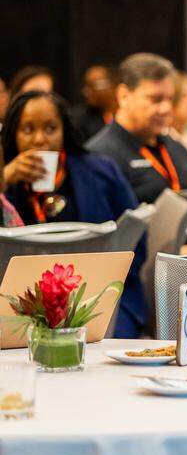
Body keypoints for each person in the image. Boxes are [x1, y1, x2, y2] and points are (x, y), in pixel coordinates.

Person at [1, 90, 149, 337]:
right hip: (24, 302)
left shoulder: (102, 171)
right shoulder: (6, 183)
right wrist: (4, 180)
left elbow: (136, 239)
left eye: (50, 129)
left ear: (64, 131)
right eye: (27, 129)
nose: (39, 139)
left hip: (100, 295)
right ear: (13, 135)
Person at [87, 53, 187, 249]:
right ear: (124, 96)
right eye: (156, 99)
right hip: (156, 269)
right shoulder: (100, 156)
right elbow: (110, 240)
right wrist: (175, 260)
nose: (165, 108)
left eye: (170, 99)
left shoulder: (176, 147)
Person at [70, 63, 118, 143]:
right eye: (86, 86)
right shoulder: (79, 120)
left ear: (112, 85)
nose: (85, 91)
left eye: (93, 85)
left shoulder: (128, 114)